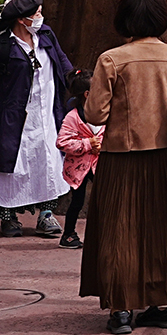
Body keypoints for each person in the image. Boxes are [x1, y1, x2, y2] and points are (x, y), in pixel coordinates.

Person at [82, 0, 167, 335]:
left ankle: (122, 311)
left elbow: (95, 115)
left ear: (124, 19)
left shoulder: (112, 59)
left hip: (120, 158)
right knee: (166, 230)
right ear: (160, 18)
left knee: (120, 231)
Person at [0, 0, 75, 238]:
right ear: (22, 19)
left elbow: (63, 64)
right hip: (11, 119)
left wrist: (79, 83)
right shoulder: (0, 48)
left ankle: (46, 215)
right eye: (37, 13)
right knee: (11, 165)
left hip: (47, 114)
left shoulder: (47, 35)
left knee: (47, 162)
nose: (41, 17)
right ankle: (8, 217)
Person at [55, 72, 103, 250]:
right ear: (87, 94)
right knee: (78, 201)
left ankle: (103, 234)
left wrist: (101, 146)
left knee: (104, 199)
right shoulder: (73, 117)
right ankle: (68, 235)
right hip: (78, 167)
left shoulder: (105, 112)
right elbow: (62, 142)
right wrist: (87, 144)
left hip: (99, 164)